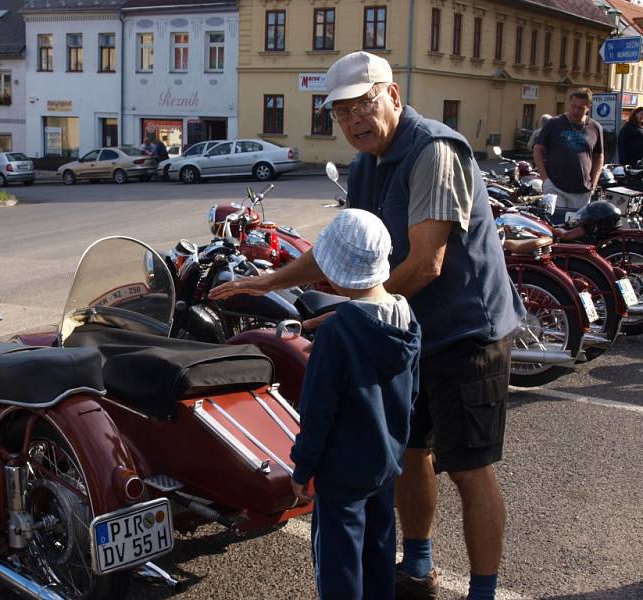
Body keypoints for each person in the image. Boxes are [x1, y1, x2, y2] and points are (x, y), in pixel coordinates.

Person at [210, 51, 525, 600]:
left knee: (468, 468)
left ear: (394, 96)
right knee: (408, 453)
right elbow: (347, 251)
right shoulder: (366, 165)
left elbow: (426, 262)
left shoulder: (433, 152)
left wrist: (351, 316)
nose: (354, 119)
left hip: (466, 333)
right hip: (408, 331)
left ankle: (483, 591)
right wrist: (266, 282)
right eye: (341, 112)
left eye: (365, 104)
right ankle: (419, 564)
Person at [290, 208, 421, 600]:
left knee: (339, 562)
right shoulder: (408, 318)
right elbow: (411, 394)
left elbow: (317, 412)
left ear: (335, 272)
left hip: (342, 471)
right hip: (386, 461)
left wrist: (303, 468)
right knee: (379, 550)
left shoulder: (336, 333)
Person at [533, 88, 604, 221]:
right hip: (556, 187)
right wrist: (545, 180)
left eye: (581, 108)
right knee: (556, 227)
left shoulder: (595, 127)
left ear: (588, 107)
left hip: (583, 190)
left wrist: (594, 183)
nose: (576, 111)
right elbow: (538, 150)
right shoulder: (554, 123)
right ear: (569, 104)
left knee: (576, 229)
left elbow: (599, 156)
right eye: (573, 106)